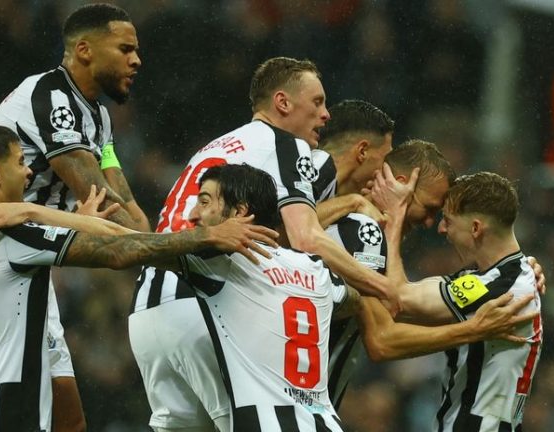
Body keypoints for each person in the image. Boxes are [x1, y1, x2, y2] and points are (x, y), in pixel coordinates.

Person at [0, 124, 277, 431]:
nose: (28, 172)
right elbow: (117, 251)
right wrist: (206, 236)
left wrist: (70, 221)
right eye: (20, 162)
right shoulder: (10, 235)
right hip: (5, 418)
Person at [128, 58, 396, 432]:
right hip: (207, 302)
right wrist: (384, 286)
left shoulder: (219, 146)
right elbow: (305, 236)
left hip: (149, 306)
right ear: (283, 103)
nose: (325, 114)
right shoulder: (286, 145)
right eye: (317, 102)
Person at [142, 163, 414, 431]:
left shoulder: (223, 262)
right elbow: (352, 300)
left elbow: (133, 250)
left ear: (239, 212)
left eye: (204, 202)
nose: (193, 214)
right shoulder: (314, 268)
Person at [0, 4, 150, 429]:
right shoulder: (51, 98)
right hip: (0, 258)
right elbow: (105, 207)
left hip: (39, 256)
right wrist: (171, 248)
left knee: (70, 419)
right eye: (125, 49)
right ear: (84, 50)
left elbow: (125, 204)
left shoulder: (99, 116)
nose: (137, 60)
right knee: (12, 412)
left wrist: (150, 243)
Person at [311, 105, 537, 408]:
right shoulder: (364, 231)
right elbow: (382, 341)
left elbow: (399, 307)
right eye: (429, 209)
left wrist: (518, 270)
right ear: (399, 185)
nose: (432, 224)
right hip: (298, 404)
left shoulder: (339, 218)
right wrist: (472, 331)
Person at [369, 169, 543, 431]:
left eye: (448, 220)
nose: (441, 229)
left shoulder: (499, 289)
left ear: (475, 228)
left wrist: (394, 218)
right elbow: (401, 301)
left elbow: (397, 298)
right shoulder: (511, 275)